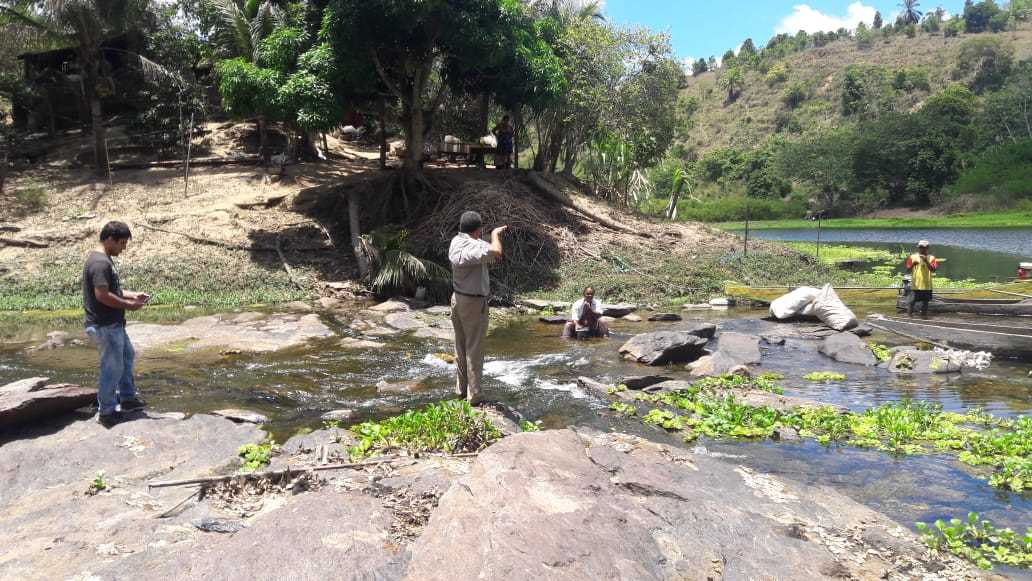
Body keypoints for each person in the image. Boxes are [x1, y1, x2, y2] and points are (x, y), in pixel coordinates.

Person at [83, 221, 149, 427]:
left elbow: (112, 291)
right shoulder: (99, 263)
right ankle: (106, 412)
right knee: (112, 368)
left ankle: (128, 399)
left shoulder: (103, 259)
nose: (124, 248)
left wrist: (132, 295)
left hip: (113, 324)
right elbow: (102, 295)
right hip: (105, 325)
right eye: (122, 243)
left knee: (127, 356)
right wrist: (129, 306)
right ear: (110, 239)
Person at [449, 211, 507, 405]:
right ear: (478, 230)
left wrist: (489, 246)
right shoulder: (474, 246)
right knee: (474, 349)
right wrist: (495, 235)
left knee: (460, 347)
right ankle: (474, 396)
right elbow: (496, 251)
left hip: (457, 299)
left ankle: (461, 391)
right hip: (473, 303)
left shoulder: (456, 241)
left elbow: (486, 249)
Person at [905, 240, 938, 316]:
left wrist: (926, 261)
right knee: (911, 302)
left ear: (928, 248)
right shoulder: (912, 257)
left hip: (927, 286)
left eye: (924, 247)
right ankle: (909, 318)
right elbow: (908, 270)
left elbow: (933, 270)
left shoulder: (932, 258)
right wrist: (913, 265)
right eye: (921, 247)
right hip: (915, 285)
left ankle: (923, 318)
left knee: (925, 304)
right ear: (918, 247)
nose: (922, 249)